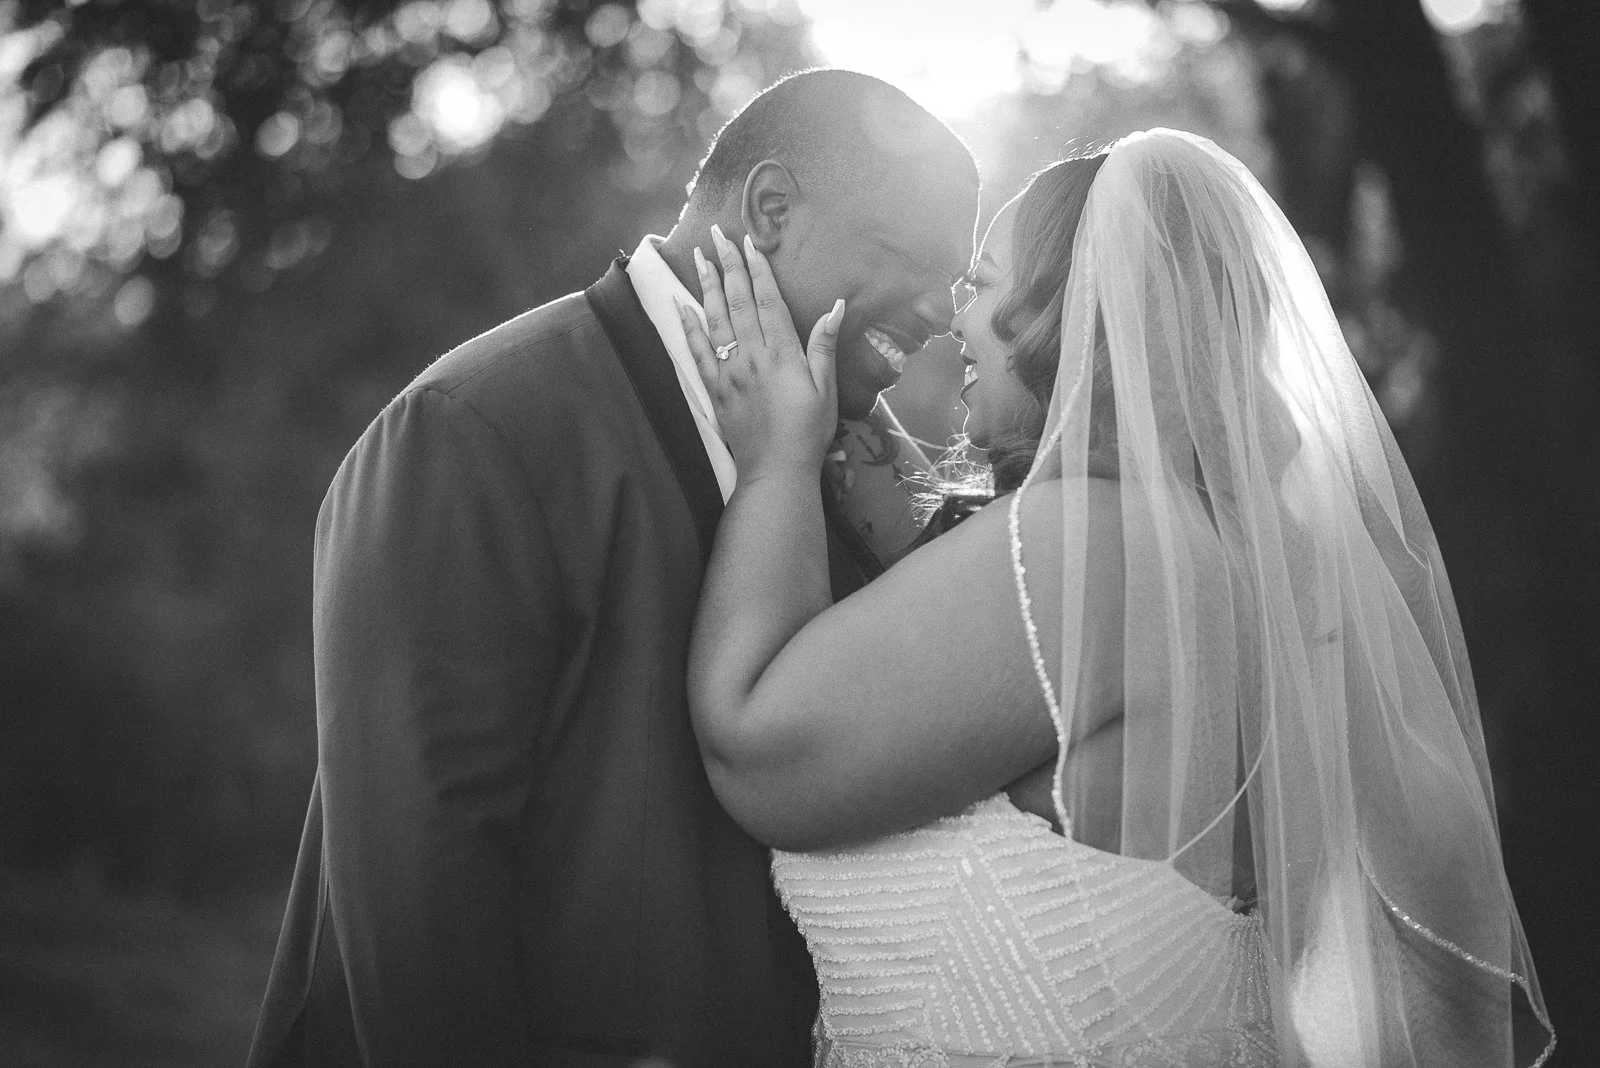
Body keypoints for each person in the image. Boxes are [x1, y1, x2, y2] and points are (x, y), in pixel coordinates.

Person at [680, 128, 1555, 1065]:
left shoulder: (1087, 544)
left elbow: (753, 749)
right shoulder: (1226, 563)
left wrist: (779, 462)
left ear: (1074, 306)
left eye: (981, 285)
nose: (954, 322)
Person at [246, 69, 978, 1067]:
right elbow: (419, 891)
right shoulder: (481, 427)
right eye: (912, 259)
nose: (944, 310)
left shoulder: (851, 467)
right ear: (770, 210)